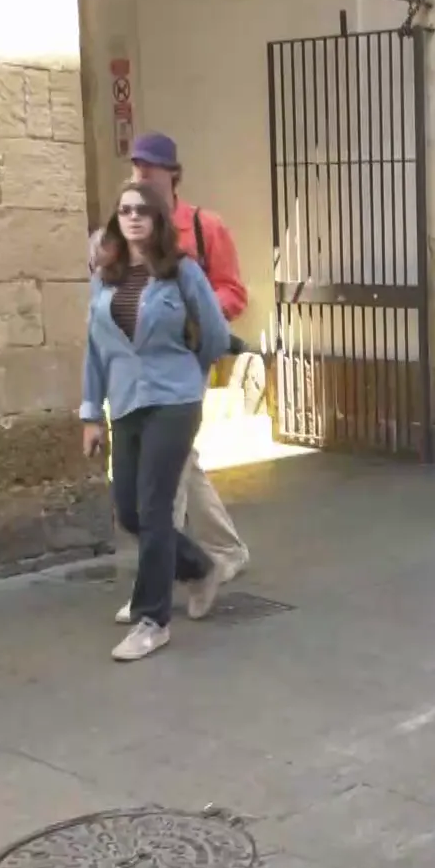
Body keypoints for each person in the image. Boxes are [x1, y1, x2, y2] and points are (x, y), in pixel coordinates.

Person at [83, 183, 233, 661]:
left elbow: (215, 333)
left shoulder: (181, 272)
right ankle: (199, 566)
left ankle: (152, 619)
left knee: (153, 506)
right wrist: (90, 413)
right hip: (126, 402)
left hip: (174, 399)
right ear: (116, 220)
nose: (132, 218)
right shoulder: (105, 276)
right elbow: (95, 349)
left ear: (157, 220)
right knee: (127, 509)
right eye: (124, 210)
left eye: (142, 211)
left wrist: (192, 375)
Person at [119, 133, 250, 618]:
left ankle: (157, 583)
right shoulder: (129, 226)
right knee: (182, 463)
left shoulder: (204, 226)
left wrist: (193, 313)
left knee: (162, 476)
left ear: (173, 174)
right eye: (137, 167)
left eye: (151, 168)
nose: (142, 175)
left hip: (186, 359)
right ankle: (223, 554)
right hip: (140, 364)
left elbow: (234, 291)